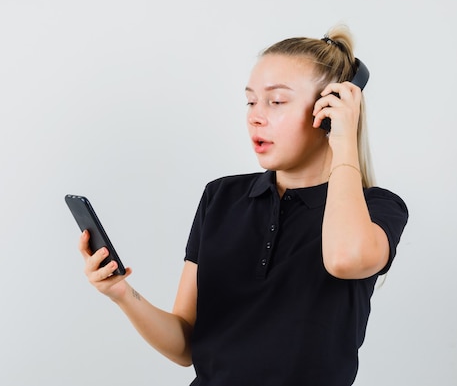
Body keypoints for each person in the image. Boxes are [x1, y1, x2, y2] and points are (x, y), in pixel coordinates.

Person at [78, 24, 409, 386]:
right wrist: (122, 294)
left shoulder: (377, 208)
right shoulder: (220, 198)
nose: (255, 115)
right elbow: (186, 344)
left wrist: (344, 140)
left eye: (277, 101)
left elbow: (345, 258)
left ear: (328, 112)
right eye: (250, 100)